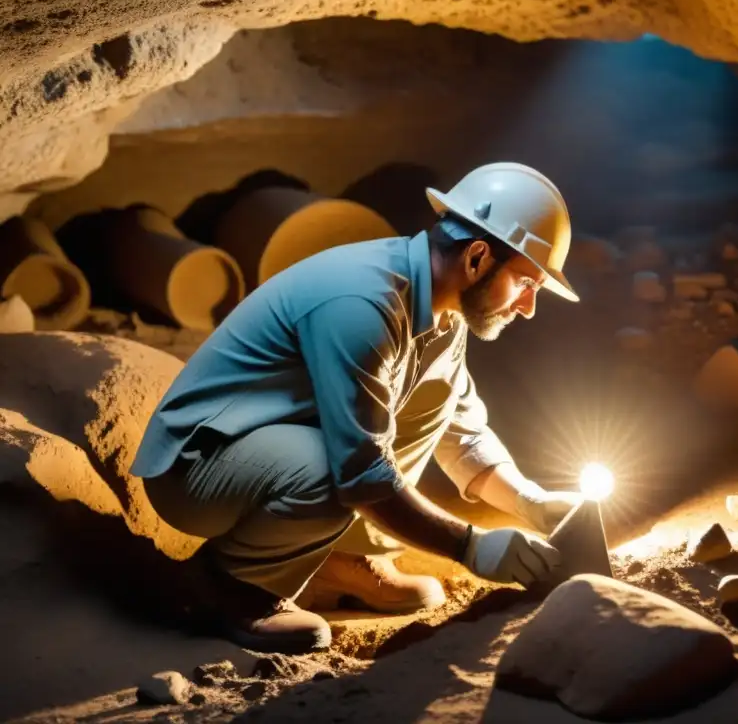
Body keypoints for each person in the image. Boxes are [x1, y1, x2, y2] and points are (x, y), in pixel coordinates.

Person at [130, 162, 584, 655]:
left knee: (427, 404)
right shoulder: (364, 303)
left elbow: (459, 427)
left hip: (272, 442)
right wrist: (470, 547)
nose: (528, 306)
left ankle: (335, 558)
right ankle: (233, 585)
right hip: (197, 466)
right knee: (332, 467)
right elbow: (361, 474)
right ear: (477, 256)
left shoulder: (443, 314)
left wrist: (528, 500)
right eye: (526, 283)